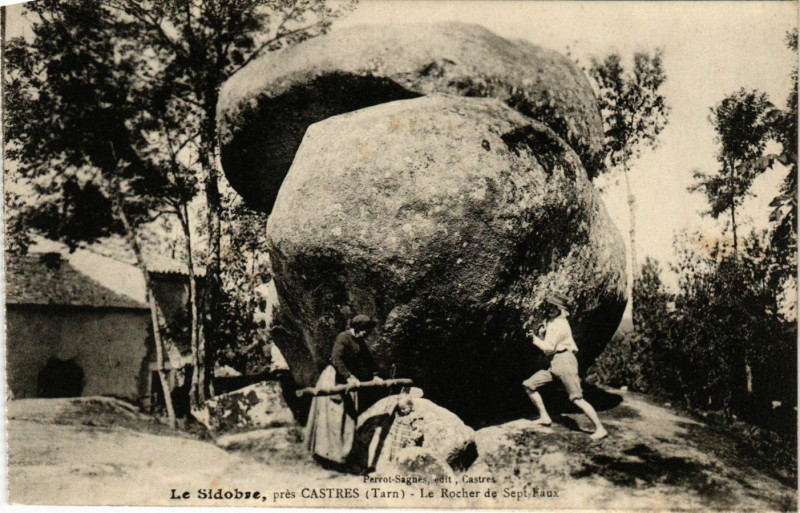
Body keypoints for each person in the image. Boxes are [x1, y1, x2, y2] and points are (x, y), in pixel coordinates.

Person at [522, 293, 608, 440]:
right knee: (529, 385)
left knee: (576, 398)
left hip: (565, 362)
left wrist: (534, 339)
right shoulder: (553, 321)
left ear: (560, 309)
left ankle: (600, 428)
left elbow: (549, 348)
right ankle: (544, 417)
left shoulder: (558, 324)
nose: (550, 309)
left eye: (554, 307)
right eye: (549, 306)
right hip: (555, 364)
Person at [305, 314, 383, 466]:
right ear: (358, 328)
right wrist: (348, 377)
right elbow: (336, 359)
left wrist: (375, 375)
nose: (367, 333)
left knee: (347, 419)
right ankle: (327, 456)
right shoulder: (344, 337)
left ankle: (343, 456)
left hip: (349, 382)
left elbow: (369, 361)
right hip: (335, 378)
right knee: (332, 419)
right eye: (365, 330)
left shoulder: (360, 342)